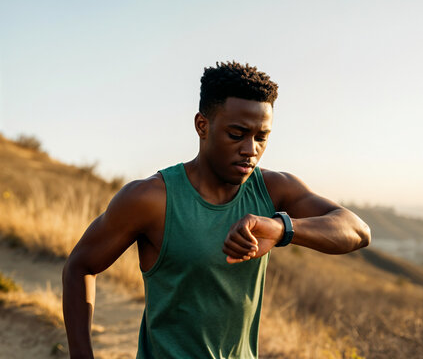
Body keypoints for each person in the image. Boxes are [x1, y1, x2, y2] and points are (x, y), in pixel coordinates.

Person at [62, 61, 371, 359]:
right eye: (237, 134)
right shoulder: (151, 198)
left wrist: (281, 229)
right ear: (202, 126)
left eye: (261, 137)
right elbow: (80, 266)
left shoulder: (275, 189)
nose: (251, 150)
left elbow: (357, 230)